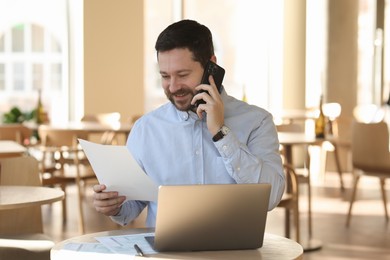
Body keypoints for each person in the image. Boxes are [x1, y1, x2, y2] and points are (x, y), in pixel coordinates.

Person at [93, 19, 285, 227]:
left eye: (182, 75)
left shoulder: (257, 122)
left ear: (211, 65)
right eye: (165, 76)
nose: (173, 87)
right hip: (166, 257)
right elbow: (132, 206)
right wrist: (115, 205)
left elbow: (272, 196)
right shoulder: (146, 129)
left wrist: (221, 133)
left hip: (234, 254)